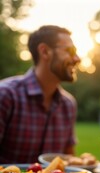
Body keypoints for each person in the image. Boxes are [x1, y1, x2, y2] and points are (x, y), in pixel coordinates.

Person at [0, 25, 81, 164]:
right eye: (70, 51)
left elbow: (70, 164)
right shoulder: (6, 95)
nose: (77, 58)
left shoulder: (68, 105)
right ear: (45, 52)